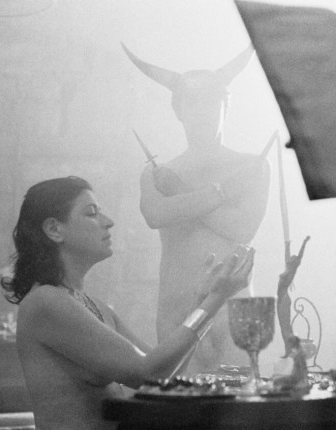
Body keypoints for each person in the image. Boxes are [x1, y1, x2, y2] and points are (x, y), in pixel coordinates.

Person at [1, 176, 255, 430]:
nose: (108, 222)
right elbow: (147, 373)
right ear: (54, 229)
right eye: (91, 213)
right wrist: (214, 302)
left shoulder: (96, 307)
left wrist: (202, 301)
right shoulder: (45, 301)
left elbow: (166, 377)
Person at [123, 44, 271, 373]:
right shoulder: (156, 173)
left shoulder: (253, 166)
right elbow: (156, 215)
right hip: (176, 313)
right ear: (179, 111)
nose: (202, 111)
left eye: (211, 100)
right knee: (181, 402)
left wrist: (180, 193)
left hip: (235, 313)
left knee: (241, 401)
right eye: (192, 102)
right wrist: (222, 192)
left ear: (226, 105)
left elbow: (241, 228)